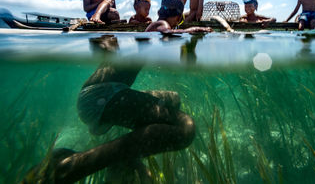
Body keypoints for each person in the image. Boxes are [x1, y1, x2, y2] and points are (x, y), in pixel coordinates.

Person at [22, 35, 196, 183]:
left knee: (172, 99)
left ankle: (125, 160)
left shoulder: (153, 33)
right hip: (102, 95)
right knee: (184, 128)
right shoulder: (153, 31)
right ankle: (66, 167)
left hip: (108, 93)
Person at [146, 0, 212, 33]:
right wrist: (196, 29)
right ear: (178, 18)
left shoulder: (156, 24)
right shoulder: (162, 23)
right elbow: (167, 32)